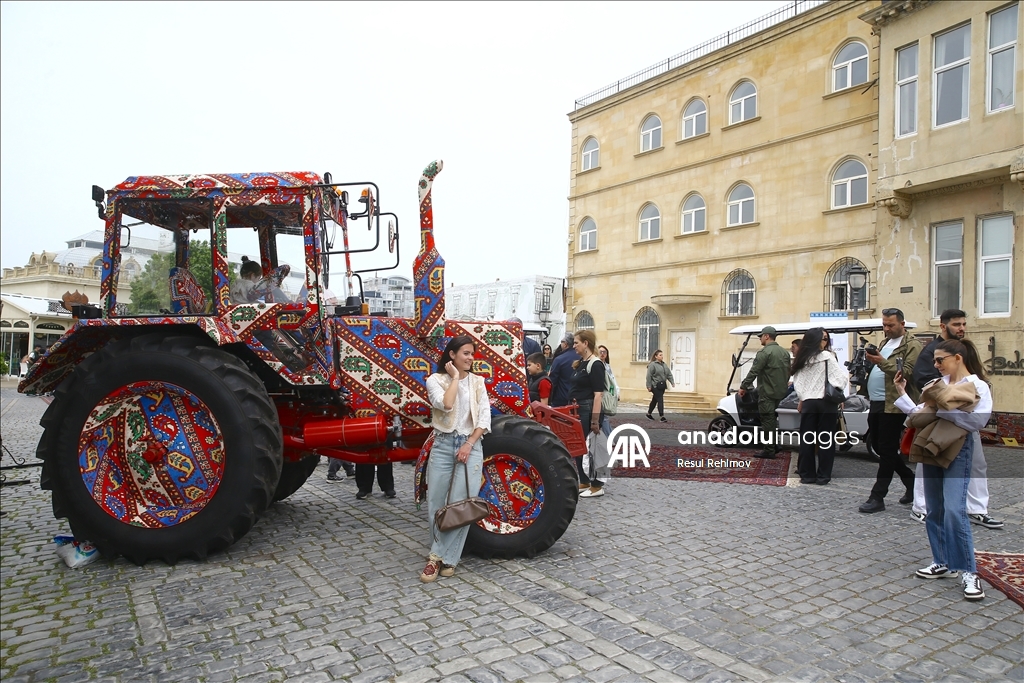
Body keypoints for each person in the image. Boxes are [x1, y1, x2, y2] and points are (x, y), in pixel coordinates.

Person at [894, 338, 991, 601]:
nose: (935, 365)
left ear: (957, 358)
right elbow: (920, 414)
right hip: (932, 445)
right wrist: (903, 393)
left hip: (959, 446)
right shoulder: (938, 385)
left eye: (940, 360)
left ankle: (969, 571)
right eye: (935, 360)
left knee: (954, 511)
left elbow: (978, 421)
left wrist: (940, 409)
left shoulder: (977, 385)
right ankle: (943, 561)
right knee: (933, 508)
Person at [909, 310, 1002, 528]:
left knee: (976, 466)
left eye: (963, 324)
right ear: (943, 326)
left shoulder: (964, 352)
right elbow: (924, 380)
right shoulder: (933, 351)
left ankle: (976, 509)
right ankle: (922, 508)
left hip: (963, 424)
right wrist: (940, 398)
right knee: (928, 463)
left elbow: (973, 381)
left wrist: (949, 401)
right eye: (956, 324)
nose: (961, 328)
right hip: (939, 423)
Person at [421, 335, 491, 582]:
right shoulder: (435, 380)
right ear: (452, 355)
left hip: (470, 445)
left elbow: (484, 418)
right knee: (436, 504)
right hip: (442, 444)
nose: (471, 358)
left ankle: (439, 559)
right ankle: (444, 557)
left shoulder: (478, 382)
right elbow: (446, 405)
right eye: (466, 353)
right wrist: (454, 378)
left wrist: (469, 444)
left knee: (462, 505)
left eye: (473, 354)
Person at [858, 308, 921, 513]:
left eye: (890, 325)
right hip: (877, 401)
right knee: (878, 445)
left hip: (893, 403)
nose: (886, 328)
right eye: (884, 324)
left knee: (886, 448)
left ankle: (878, 496)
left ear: (902, 324)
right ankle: (910, 480)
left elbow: (908, 372)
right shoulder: (885, 342)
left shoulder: (911, 345)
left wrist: (882, 362)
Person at [790, 328, 848, 485]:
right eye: (824, 339)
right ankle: (823, 476)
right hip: (826, 403)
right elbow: (840, 379)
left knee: (807, 441)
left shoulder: (802, 358)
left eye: (827, 339)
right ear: (815, 340)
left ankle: (807, 475)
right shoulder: (827, 356)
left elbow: (797, 382)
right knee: (826, 441)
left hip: (808, 403)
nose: (826, 342)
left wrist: (804, 396)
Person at [738, 326, 791, 459]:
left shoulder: (764, 353)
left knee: (767, 421)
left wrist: (743, 386)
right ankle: (774, 445)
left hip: (767, 392)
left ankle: (769, 449)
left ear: (767, 336)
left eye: (761, 336)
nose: (760, 338)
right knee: (772, 420)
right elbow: (788, 372)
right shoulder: (784, 353)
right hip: (780, 392)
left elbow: (754, 371)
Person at [570, 330, 607, 498]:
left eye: (576, 342)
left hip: (588, 408)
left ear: (586, 343)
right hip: (578, 408)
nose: (574, 345)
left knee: (592, 447)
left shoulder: (596, 364)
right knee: (579, 446)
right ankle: (584, 480)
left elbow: (598, 394)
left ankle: (597, 485)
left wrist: (595, 420)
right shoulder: (581, 362)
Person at [548, 335, 581, 408]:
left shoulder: (559, 359)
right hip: (580, 398)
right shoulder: (582, 357)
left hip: (561, 399)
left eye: (561, 342)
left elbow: (553, 381)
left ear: (565, 344)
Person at [645, 350, 674, 422]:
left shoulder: (664, 365)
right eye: (660, 355)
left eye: (662, 355)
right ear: (656, 356)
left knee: (655, 400)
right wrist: (648, 386)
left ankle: (649, 414)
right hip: (655, 385)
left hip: (662, 386)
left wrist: (672, 382)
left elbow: (668, 374)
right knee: (660, 399)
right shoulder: (652, 365)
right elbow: (649, 376)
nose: (662, 356)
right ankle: (662, 416)